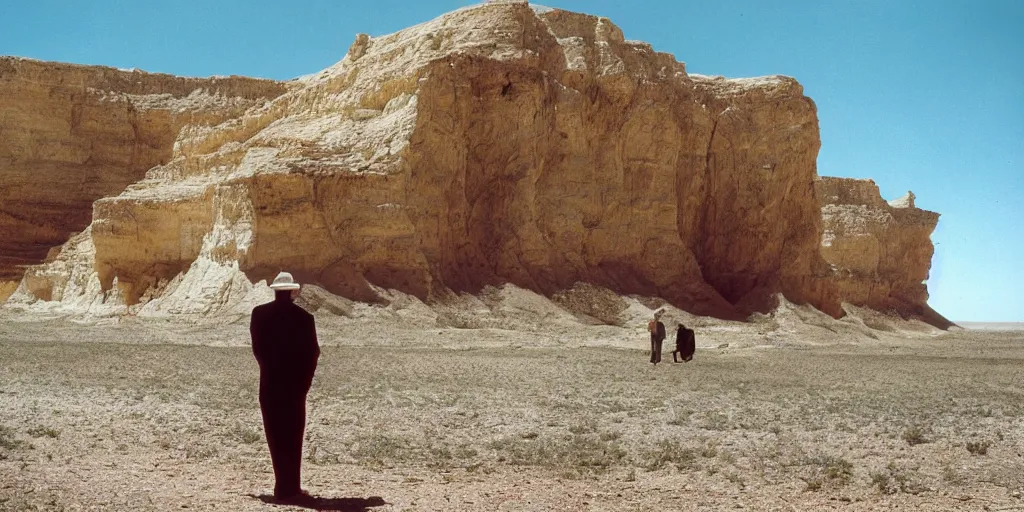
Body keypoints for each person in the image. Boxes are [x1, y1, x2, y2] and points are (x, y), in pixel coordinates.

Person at [251, 272, 321, 502]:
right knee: (293, 436)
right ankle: (291, 487)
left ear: (274, 290)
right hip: (294, 386)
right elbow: (313, 353)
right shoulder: (304, 318)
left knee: (275, 435)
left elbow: (258, 350)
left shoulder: (259, 314)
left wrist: (269, 368)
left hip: (270, 383)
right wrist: (305, 382)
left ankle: (281, 485)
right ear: (293, 291)